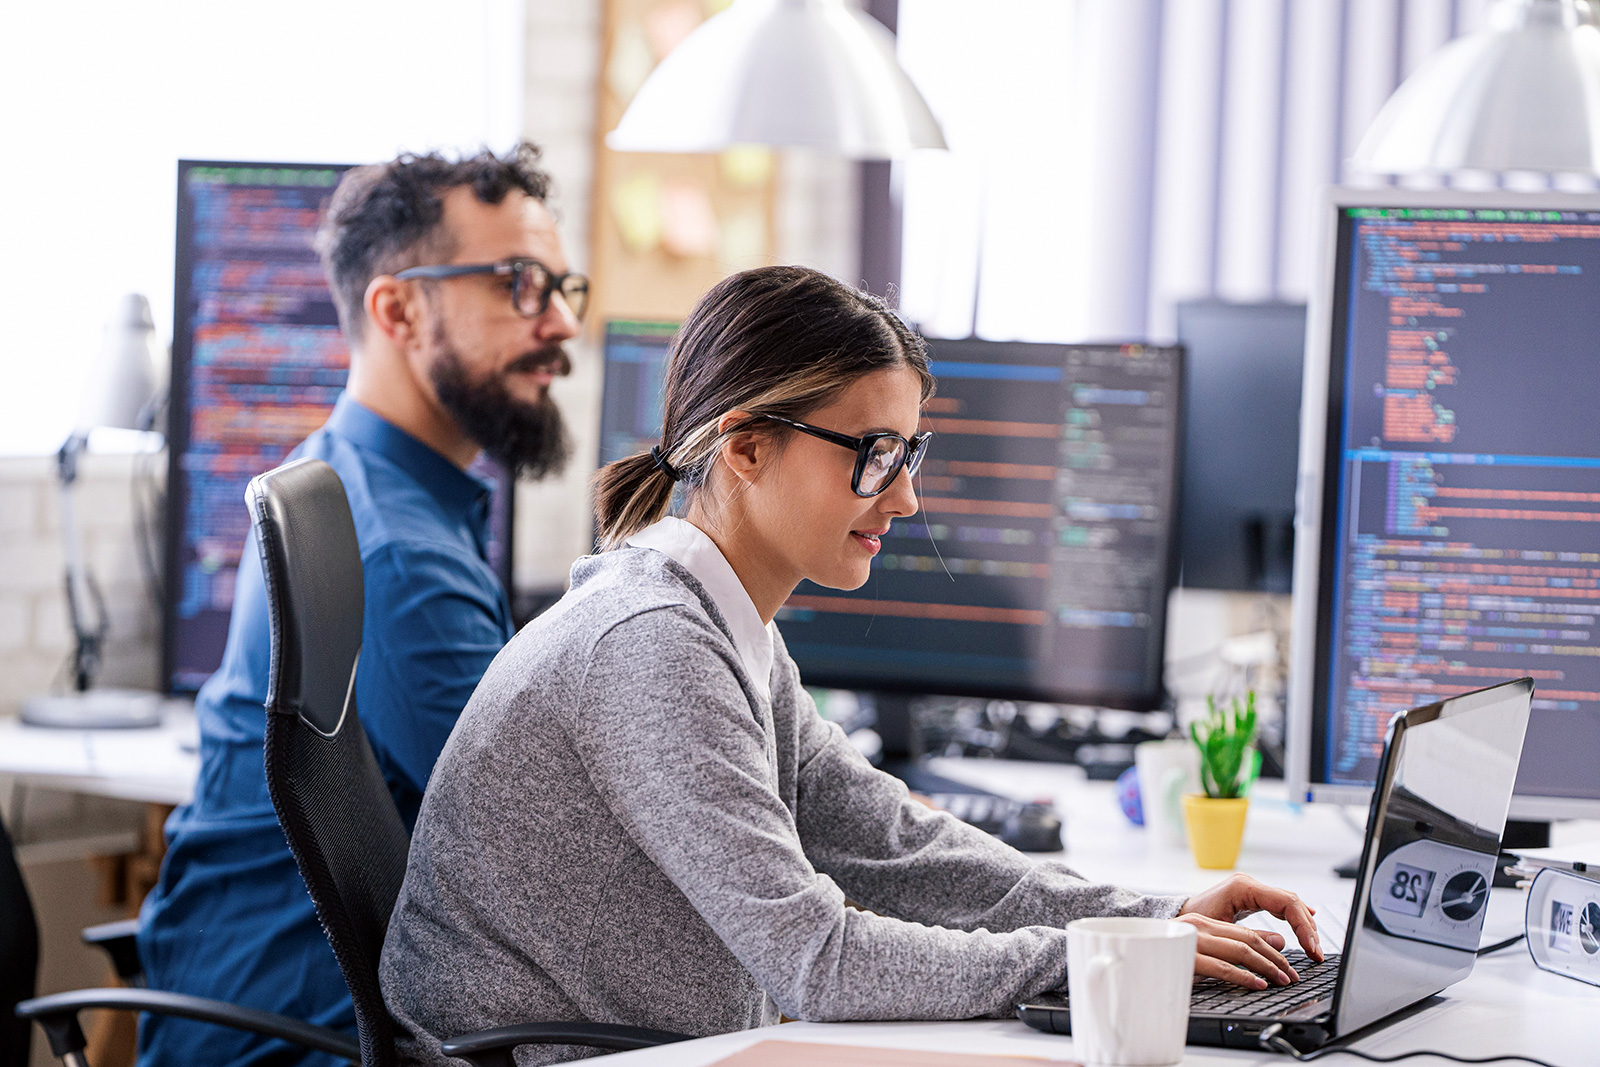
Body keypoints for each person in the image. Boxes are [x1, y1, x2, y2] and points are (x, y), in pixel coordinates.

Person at [379, 265, 1322, 1066]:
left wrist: (1149, 913)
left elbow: (898, 852)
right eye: (874, 454)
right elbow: (817, 961)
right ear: (745, 445)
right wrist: (1092, 950)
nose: (905, 498)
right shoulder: (649, 645)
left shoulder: (721, 622)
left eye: (910, 451)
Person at [137, 144, 586, 1067]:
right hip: (301, 1039)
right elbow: (562, 866)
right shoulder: (400, 553)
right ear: (396, 307)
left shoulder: (372, 487)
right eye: (519, 284)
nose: (565, 322)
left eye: (560, 284)